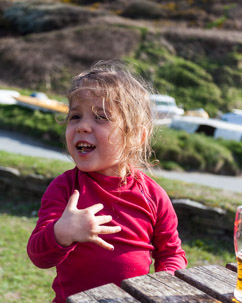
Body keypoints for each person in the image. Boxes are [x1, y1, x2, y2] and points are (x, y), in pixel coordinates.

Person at [27, 60, 187, 303]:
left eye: (101, 117)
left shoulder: (153, 196)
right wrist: (62, 232)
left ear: (136, 136)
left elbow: (171, 253)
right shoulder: (66, 189)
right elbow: (39, 255)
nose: (82, 127)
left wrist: (162, 284)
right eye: (75, 116)